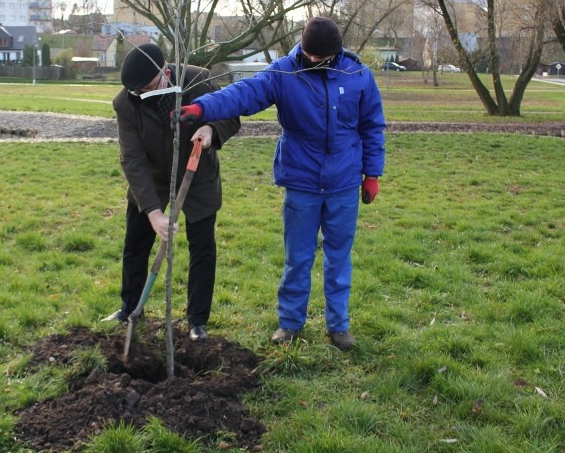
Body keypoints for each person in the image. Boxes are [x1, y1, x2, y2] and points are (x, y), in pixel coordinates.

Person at [179, 17, 386, 350]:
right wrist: (202, 108)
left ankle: (339, 326)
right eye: (310, 54)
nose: (314, 60)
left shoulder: (358, 75)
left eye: (322, 56)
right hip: (302, 181)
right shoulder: (283, 73)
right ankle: (290, 323)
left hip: (344, 182)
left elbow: (372, 127)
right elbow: (243, 94)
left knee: (339, 257)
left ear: (335, 52)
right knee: (298, 257)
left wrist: (372, 174)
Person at [106, 43, 241, 342]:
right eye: (136, 90)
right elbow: (132, 158)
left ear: (165, 72)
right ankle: (129, 308)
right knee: (135, 245)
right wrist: (153, 213)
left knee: (202, 247)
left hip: (197, 177)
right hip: (151, 179)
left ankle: (197, 321)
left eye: (147, 87)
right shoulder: (126, 103)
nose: (141, 93)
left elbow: (232, 115)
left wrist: (212, 131)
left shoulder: (198, 81)